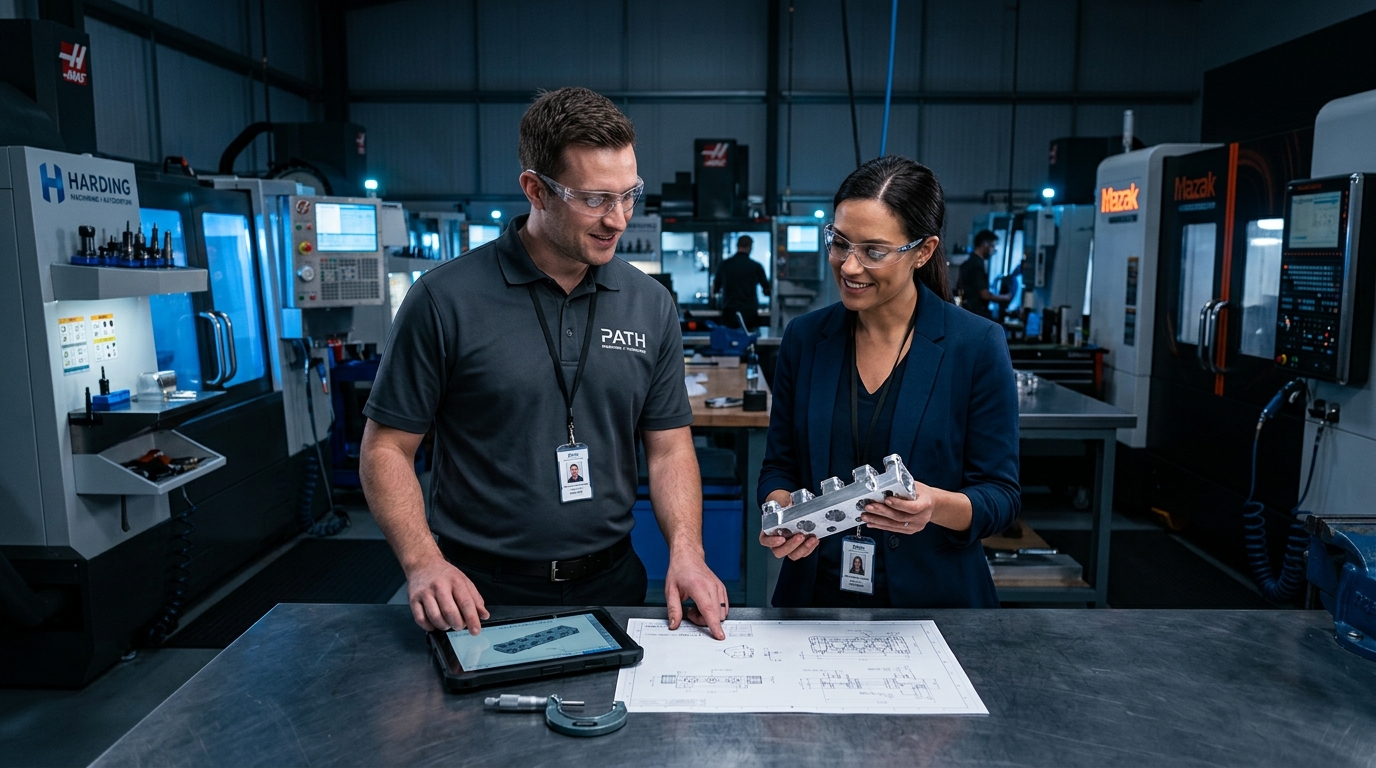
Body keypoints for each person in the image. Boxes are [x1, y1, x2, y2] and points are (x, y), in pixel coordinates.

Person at [360, 87, 729, 639]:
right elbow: (387, 447)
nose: (618, 219)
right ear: (535, 189)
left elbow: (670, 445)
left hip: (614, 583)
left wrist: (688, 552)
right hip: (480, 595)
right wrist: (422, 562)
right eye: (595, 199)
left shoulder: (649, 304)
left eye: (629, 195)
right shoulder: (445, 300)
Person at [757, 156, 1020, 608]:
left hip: (935, 602)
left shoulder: (974, 345)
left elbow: (1000, 495)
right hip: (817, 599)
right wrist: (782, 515)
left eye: (873, 251)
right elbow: (780, 465)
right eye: (839, 243)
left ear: (923, 250)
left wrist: (933, 506)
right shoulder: (805, 339)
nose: (850, 267)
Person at [712, 235, 771, 329]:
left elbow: (715, 289)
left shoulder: (724, 265)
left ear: (737, 246)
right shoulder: (756, 266)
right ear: (750, 247)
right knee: (749, 340)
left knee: (730, 340)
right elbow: (767, 290)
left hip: (729, 313)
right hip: (749, 313)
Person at [957, 230, 1011, 320]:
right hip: (975, 312)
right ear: (985, 244)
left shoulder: (968, 262)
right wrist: (1005, 297)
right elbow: (984, 294)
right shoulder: (976, 265)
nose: (992, 250)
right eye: (992, 246)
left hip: (967, 311)